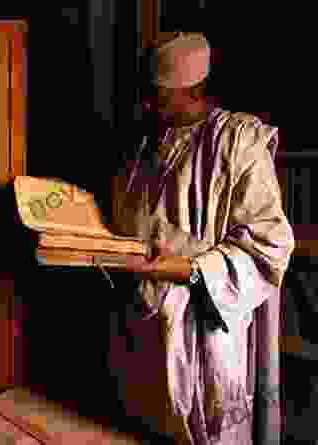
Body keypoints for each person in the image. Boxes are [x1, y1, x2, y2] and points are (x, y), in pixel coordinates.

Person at [107, 32, 295, 445]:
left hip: (202, 333)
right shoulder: (143, 146)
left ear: (191, 88)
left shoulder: (237, 141)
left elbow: (269, 246)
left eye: (157, 94)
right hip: (141, 331)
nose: (147, 104)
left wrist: (184, 267)